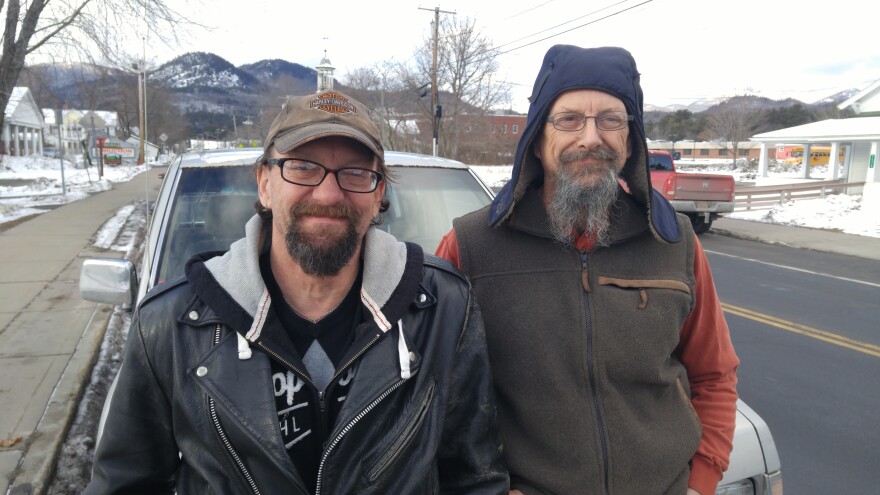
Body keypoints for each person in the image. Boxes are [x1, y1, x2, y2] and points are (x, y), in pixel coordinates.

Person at [86, 90, 508, 494]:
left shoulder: (443, 309)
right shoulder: (172, 325)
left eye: (356, 173)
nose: (328, 193)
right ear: (265, 185)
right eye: (303, 167)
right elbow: (126, 483)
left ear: (379, 194)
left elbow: (473, 479)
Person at [436, 45, 740, 495]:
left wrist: (702, 480)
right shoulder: (470, 247)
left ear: (631, 140)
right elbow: (437, 394)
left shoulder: (673, 242)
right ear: (537, 140)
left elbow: (715, 375)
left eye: (612, 120)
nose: (591, 138)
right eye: (570, 119)